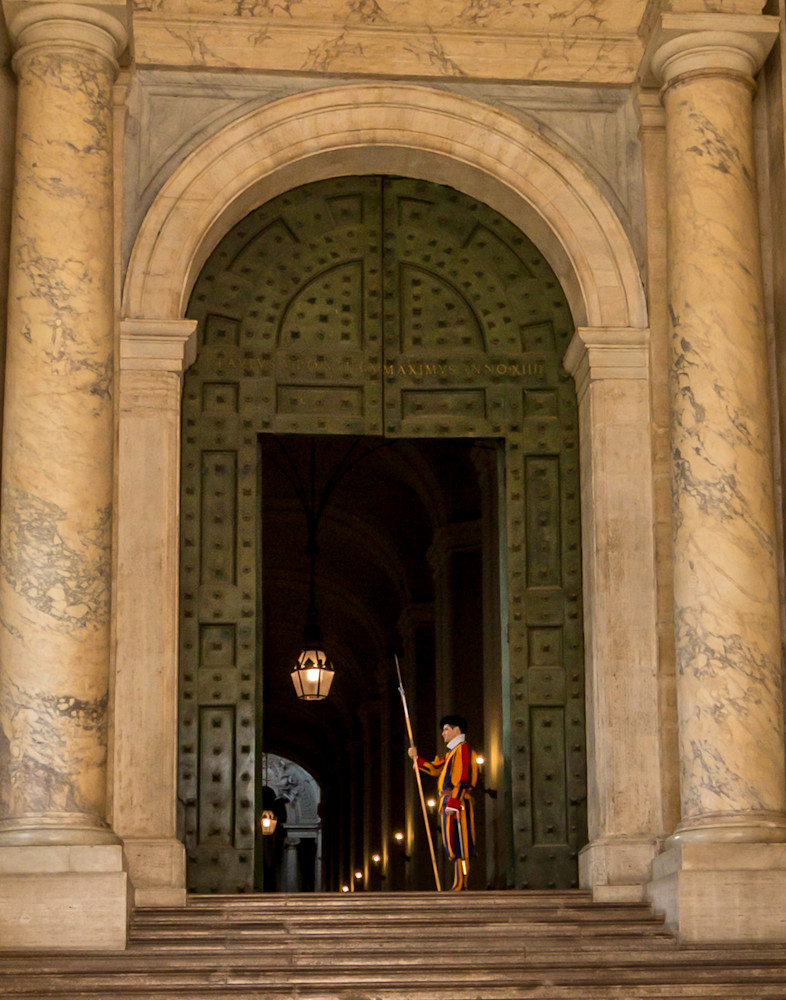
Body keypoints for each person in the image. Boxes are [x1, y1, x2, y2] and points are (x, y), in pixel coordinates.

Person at [408, 714, 479, 891]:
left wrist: (454, 802)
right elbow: (435, 768)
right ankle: (458, 882)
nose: (443, 733)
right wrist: (416, 759)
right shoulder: (451, 754)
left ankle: (461, 883)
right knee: (452, 844)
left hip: (458, 803)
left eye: (446, 729)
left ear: (457, 730)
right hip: (449, 802)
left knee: (460, 843)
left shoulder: (463, 750)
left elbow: (463, 779)